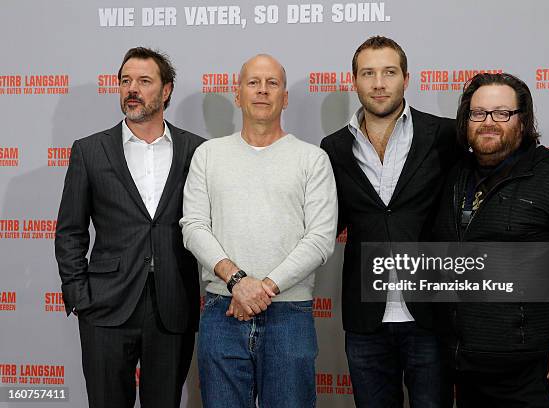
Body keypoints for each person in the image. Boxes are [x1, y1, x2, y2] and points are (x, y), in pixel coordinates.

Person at [432, 72, 549, 407]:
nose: (488, 123)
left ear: (523, 120)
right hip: (468, 374)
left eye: (502, 113)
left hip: (539, 377)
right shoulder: (454, 178)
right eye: (478, 113)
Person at [180, 54, 337, 407]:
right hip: (223, 312)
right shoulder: (208, 155)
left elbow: (320, 239)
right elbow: (193, 227)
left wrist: (262, 289)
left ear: (285, 96)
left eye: (272, 83)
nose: (262, 91)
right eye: (253, 83)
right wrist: (238, 282)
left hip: (289, 315)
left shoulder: (312, 159)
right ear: (238, 95)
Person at [54, 47, 204, 408]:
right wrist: (79, 295)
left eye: (144, 81)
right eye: (125, 81)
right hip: (105, 305)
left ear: (166, 90)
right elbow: (70, 231)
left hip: (172, 304)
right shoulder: (90, 151)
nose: (131, 88)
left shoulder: (197, 151)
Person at [320, 36, 460, 408]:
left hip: (430, 314)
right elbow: (326, 224)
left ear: (406, 79)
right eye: (368, 73)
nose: (378, 83)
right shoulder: (333, 147)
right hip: (366, 317)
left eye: (388, 72)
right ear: (354, 81)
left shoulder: (445, 136)